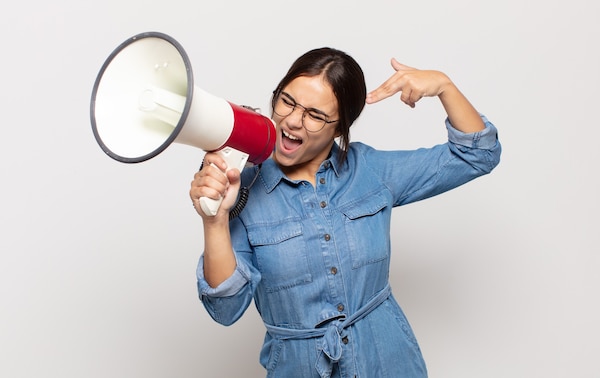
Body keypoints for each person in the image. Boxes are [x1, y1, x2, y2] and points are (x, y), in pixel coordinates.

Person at [189, 47, 501, 378]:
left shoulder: (370, 171)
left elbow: (477, 155)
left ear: (340, 128)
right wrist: (215, 220)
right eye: (287, 101)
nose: (292, 121)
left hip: (390, 362)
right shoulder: (242, 188)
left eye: (315, 115)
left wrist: (443, 85)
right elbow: (225, 309)